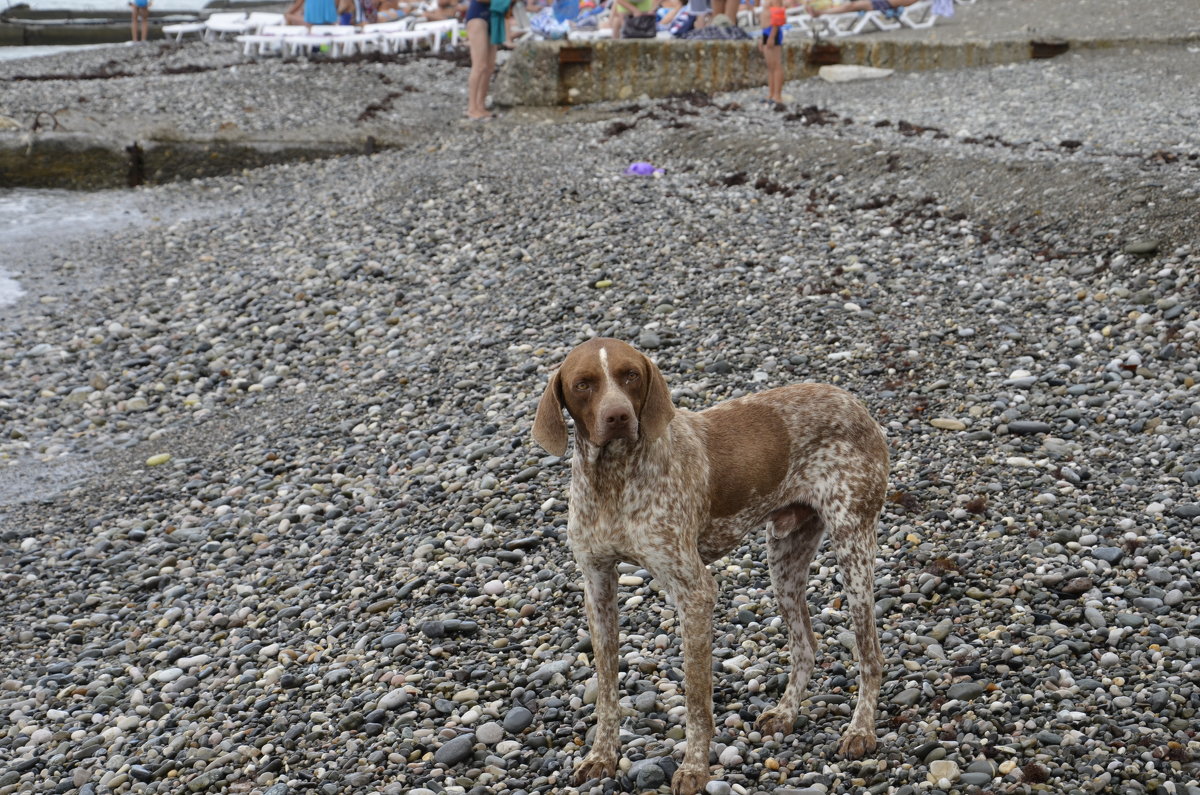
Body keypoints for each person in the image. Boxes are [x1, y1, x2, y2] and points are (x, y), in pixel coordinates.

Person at [759, 0, 785, 107]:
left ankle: (777, 95)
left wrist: (772, 36)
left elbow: (777, 16)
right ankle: (771, 93)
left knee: (776, 64)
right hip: (766, 31)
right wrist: (762, 38)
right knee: (770, 65)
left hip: (772, 31)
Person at [807, 0, 916, 15]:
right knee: (850, 4)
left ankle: (819, 12)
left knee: (851, 6)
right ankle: (820, 10)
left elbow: (894, 3)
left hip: (882, 3)